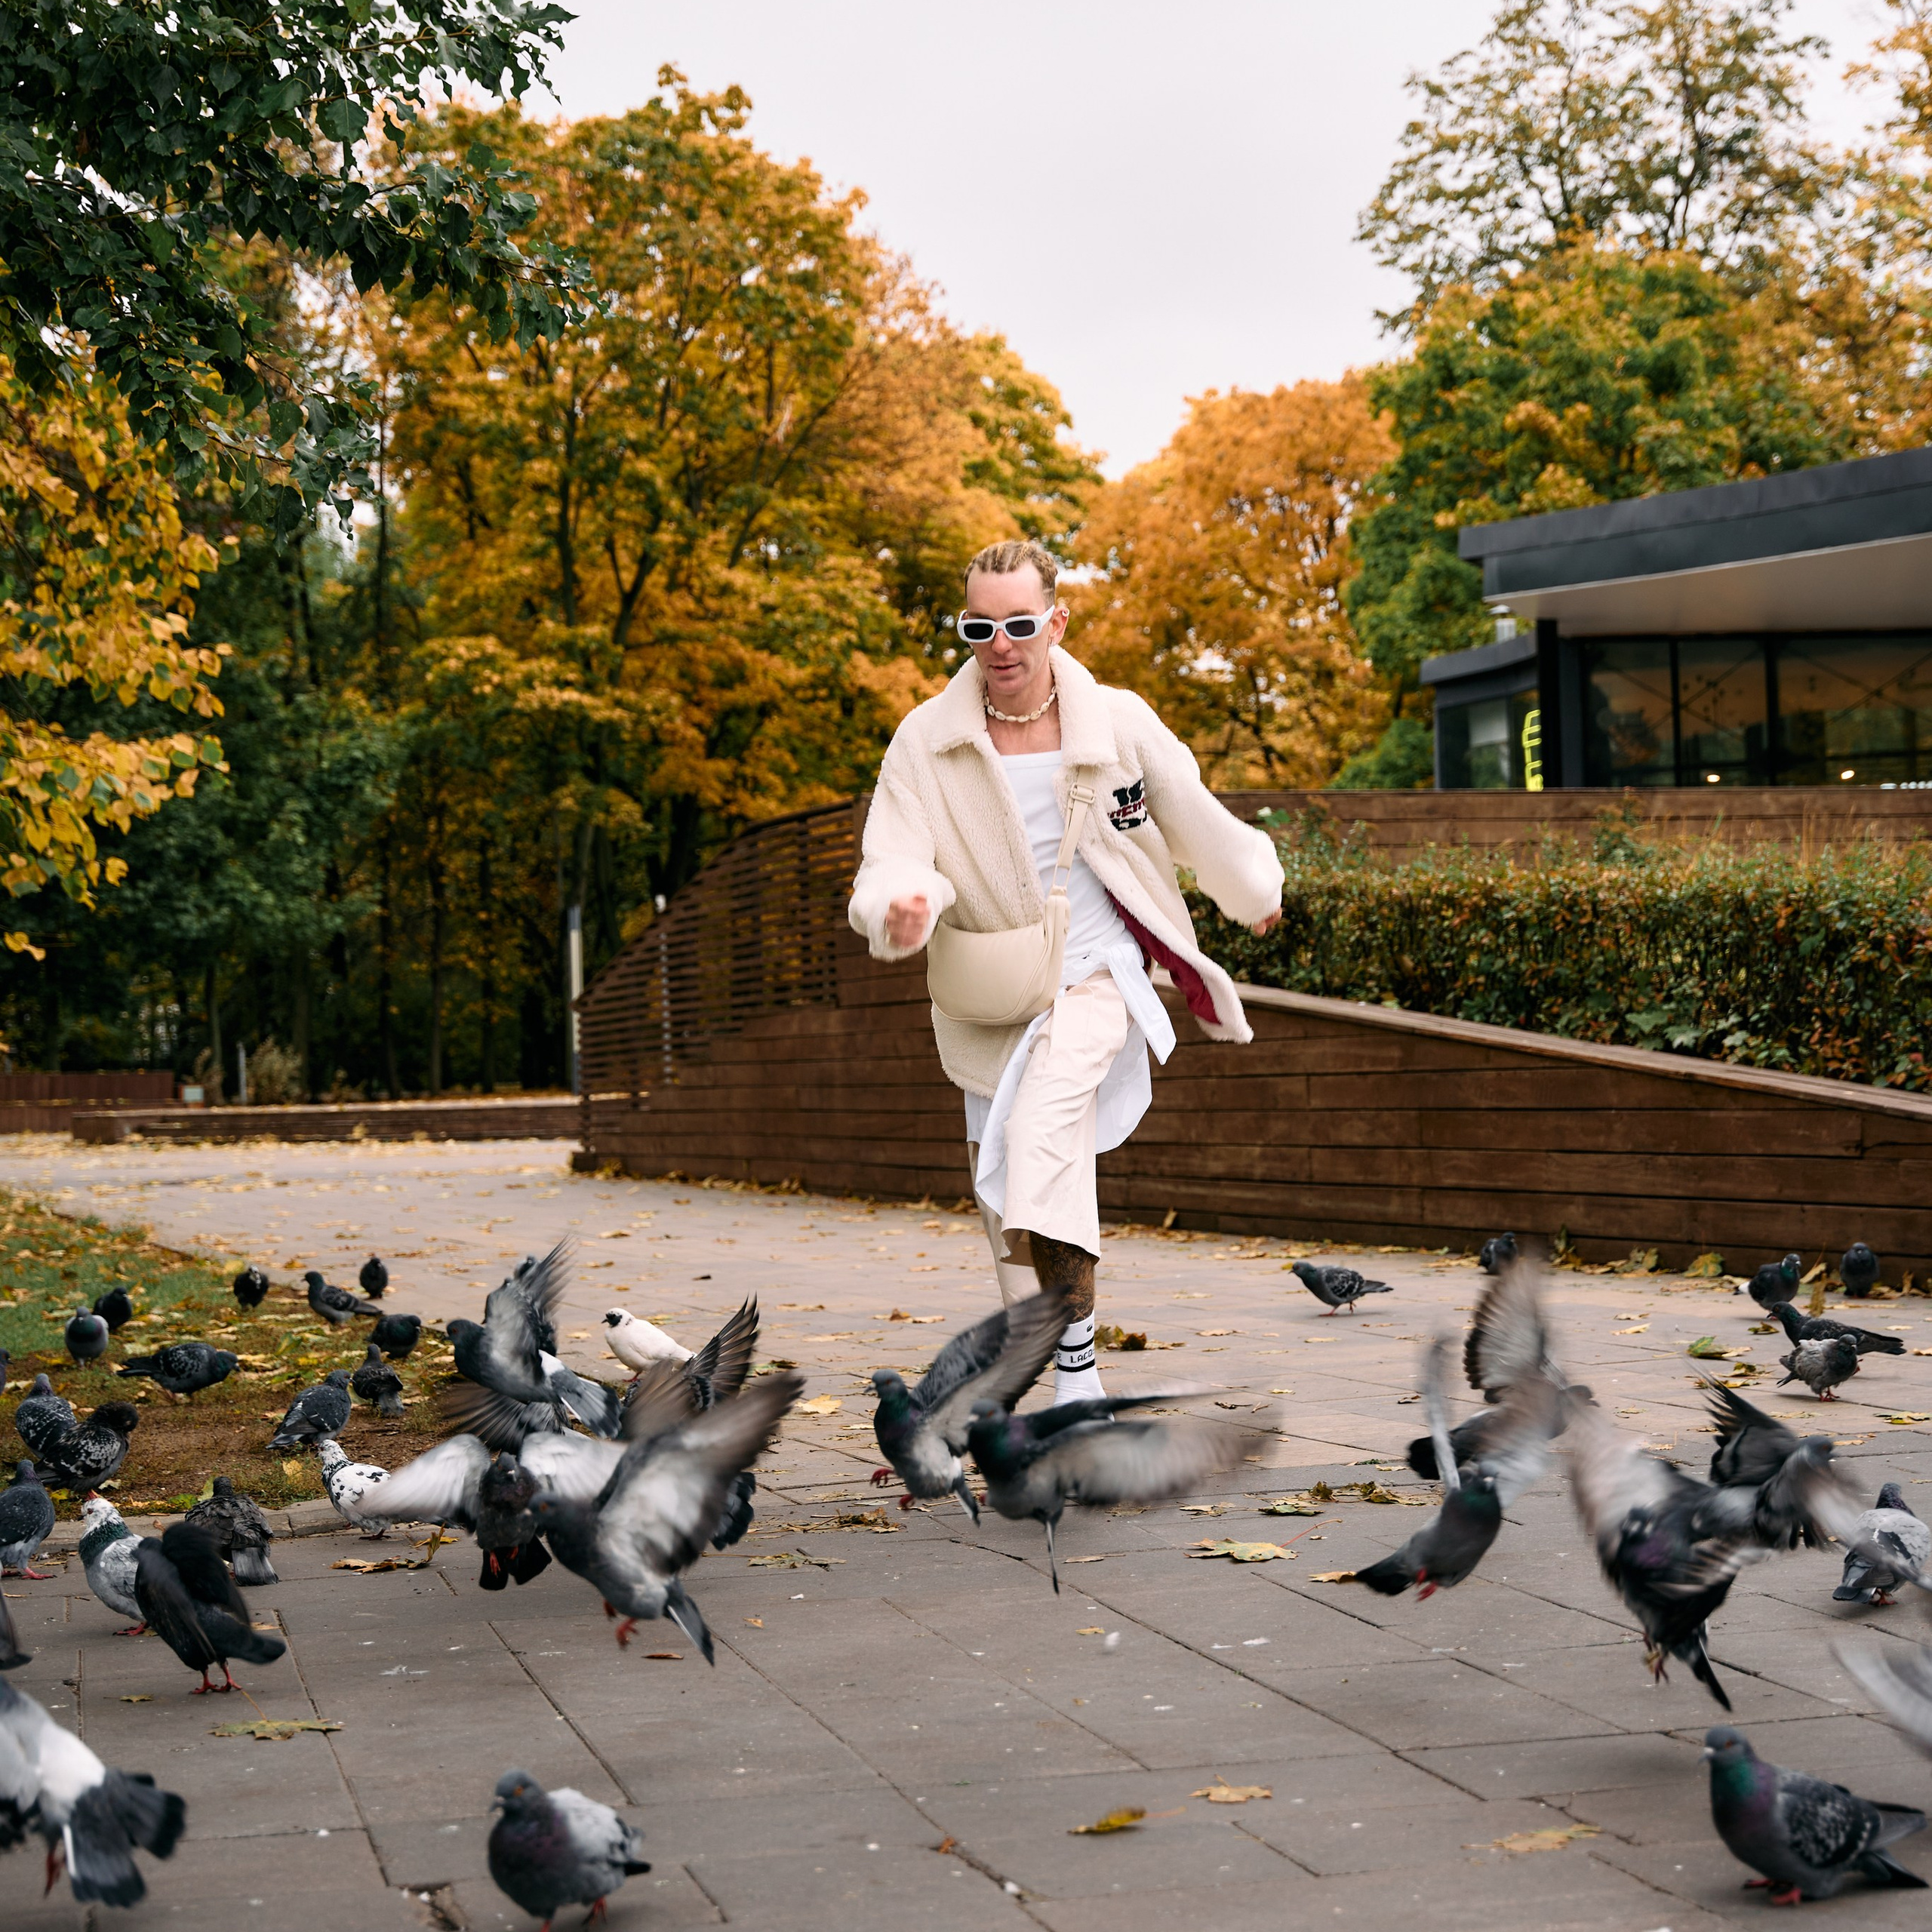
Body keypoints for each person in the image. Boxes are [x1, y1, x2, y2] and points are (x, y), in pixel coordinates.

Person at [848, 538, 1284, 1402]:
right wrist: (904, 904)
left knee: (1042, 1131)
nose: (999, 643)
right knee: (1000, 1182)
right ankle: (1037, 1351)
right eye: (980, 625)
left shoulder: (1115, 721)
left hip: (1097, 971)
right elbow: (894, 854)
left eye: (1018, 622)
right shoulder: (926, 740)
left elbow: (1194, 814)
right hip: (993, 985)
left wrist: (1249, 889)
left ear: (1056, 618)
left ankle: (1076, 1373)